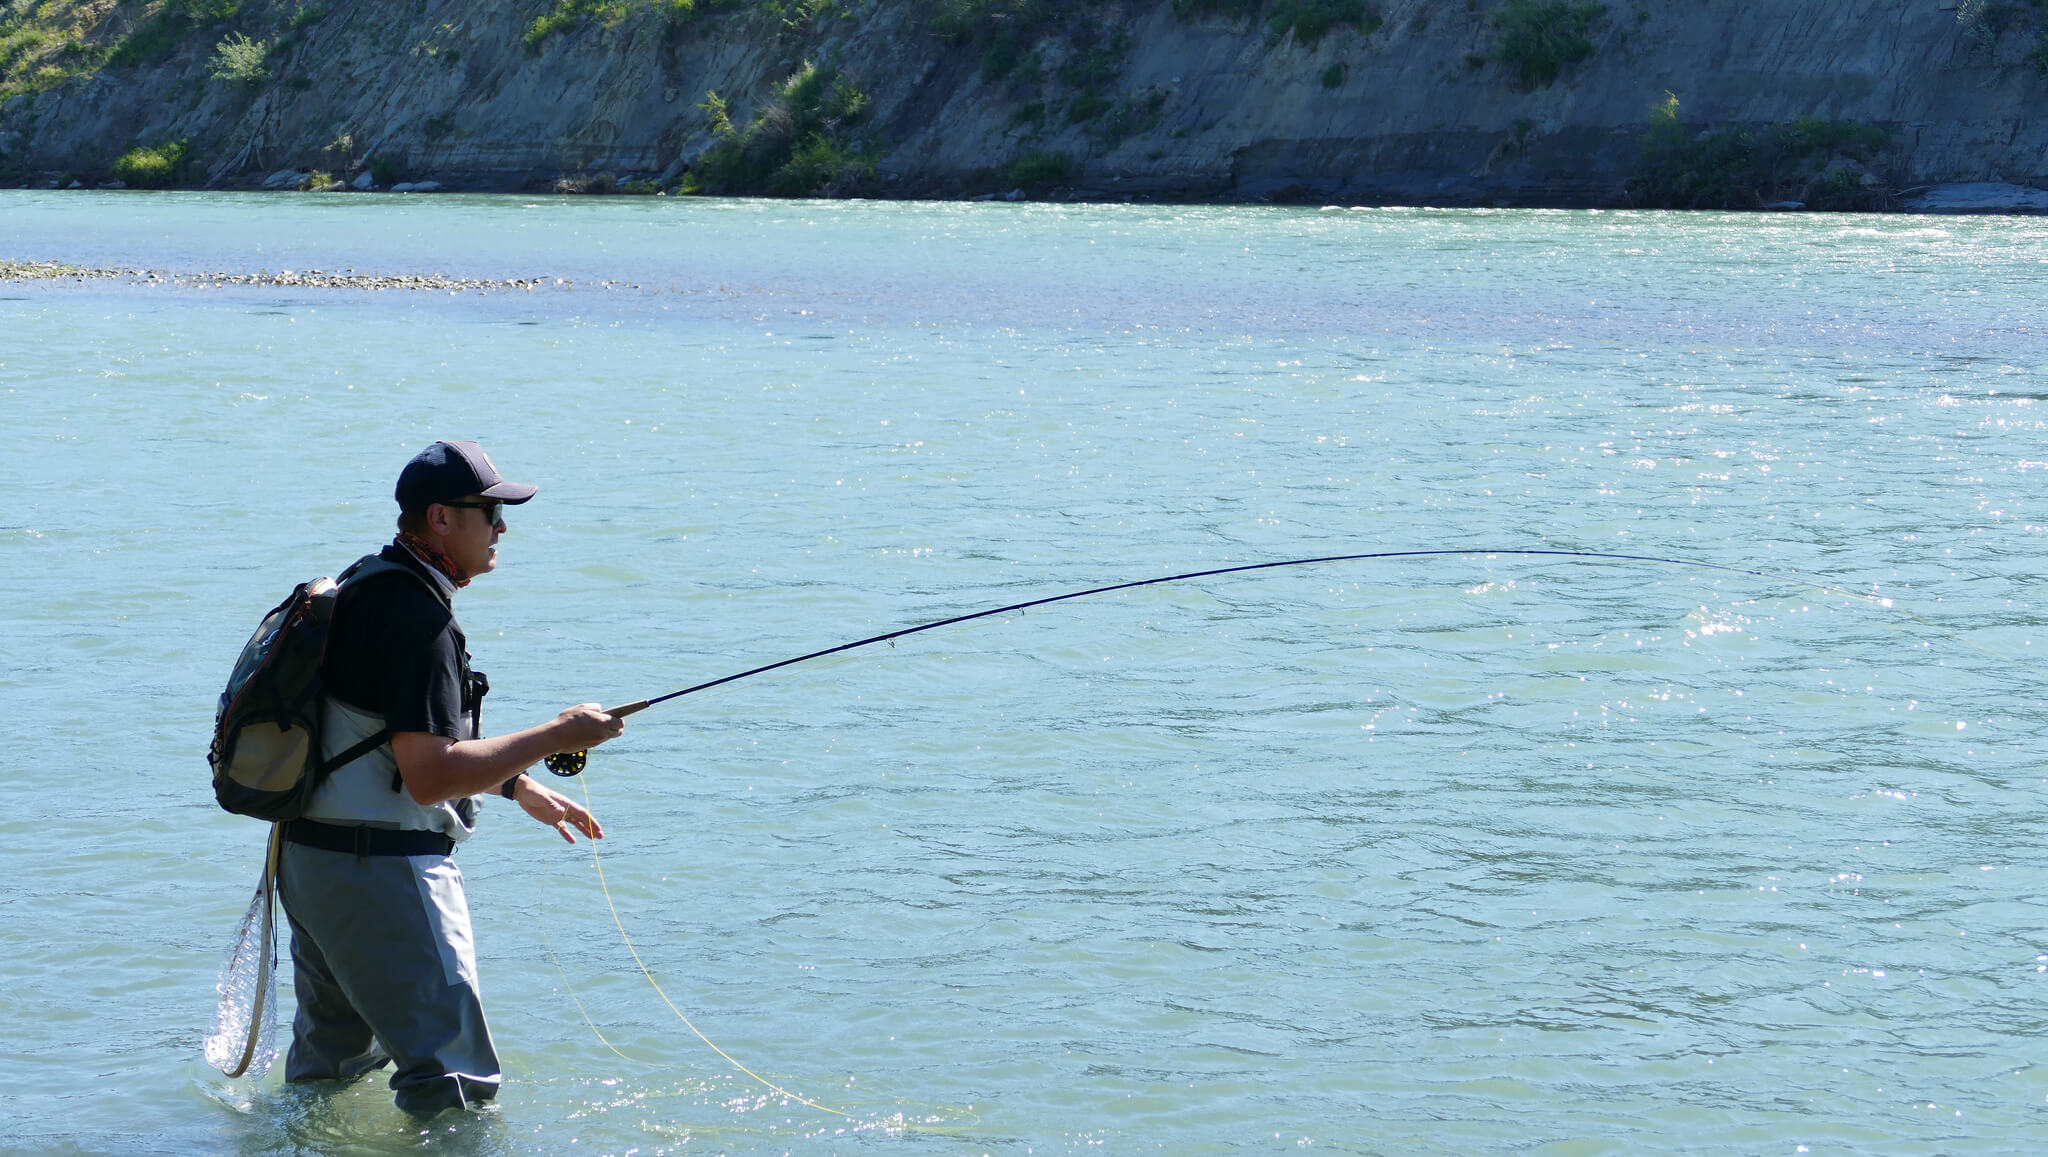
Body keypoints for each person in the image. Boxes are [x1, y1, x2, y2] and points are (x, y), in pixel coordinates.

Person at [276, 439, 624, 1115]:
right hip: (381, 872)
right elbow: (430, 775)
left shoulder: (368, 581)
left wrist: (517, 785)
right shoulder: (418, 618)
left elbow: (375, 738)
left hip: (312, 862)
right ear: (440, 518)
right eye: (489, 512)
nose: (501, 529)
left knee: (329, 1074)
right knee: (454, 1082)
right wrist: (560, 734)